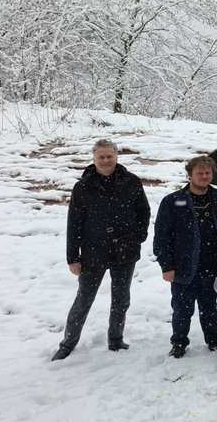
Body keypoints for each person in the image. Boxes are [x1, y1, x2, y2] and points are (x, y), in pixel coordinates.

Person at [51, 139, 151, 361]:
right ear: (94, 158)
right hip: (93, 252)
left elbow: (143, 212)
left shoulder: (131, 182)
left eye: (109, 156)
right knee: (84, 299)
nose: (106, 160)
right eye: (101, 157)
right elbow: (74, 223)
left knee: (121, 299)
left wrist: (138, 237)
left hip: (125, 251)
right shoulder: (83, 187)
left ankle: (116, 339)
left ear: (116, 156)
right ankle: (67, 343)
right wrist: (72, 257)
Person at [153, 155, 217, 358]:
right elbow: (161, 236)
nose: (204, 176)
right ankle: (179, 342)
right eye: (199, 173)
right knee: (182, 308)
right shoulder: (173, 201)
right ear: (190, 175)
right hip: (183, 266)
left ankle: (213, 339)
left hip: (212, 264)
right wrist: (166, 266)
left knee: (209, 306)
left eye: (208, 173)